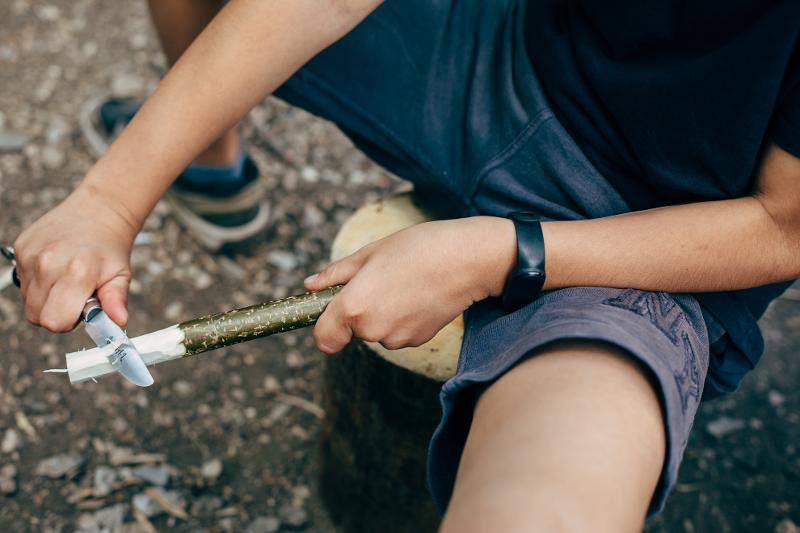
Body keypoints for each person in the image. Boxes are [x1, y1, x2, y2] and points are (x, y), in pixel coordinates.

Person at [12, 0, 800, 531]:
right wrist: (110, 200)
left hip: (657, 241)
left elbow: (783, 225)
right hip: (511, 57)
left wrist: (502, 253)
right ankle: (211, 176)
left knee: (547, 499)